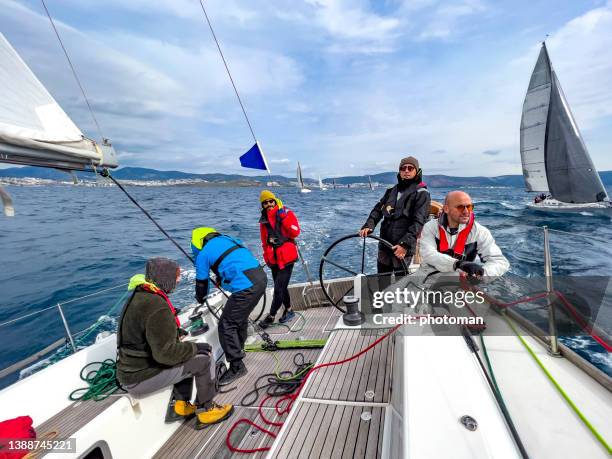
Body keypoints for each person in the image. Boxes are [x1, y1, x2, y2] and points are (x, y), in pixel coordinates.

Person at [116, 257, 233, 430]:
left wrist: (175, 333)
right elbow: (166, 355)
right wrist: (196, 348)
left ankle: (181, 406)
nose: (178, 280)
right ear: (166, 278)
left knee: (186, 352)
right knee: (204, 357)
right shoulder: (157, 306)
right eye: (176, 276)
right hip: (139, 378)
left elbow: (148, 330)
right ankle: (207, 410)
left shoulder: (141, 294)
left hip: (130, 371)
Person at [192, 227, 267, 385]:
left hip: (246, 286)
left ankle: (237, 366)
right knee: (239, 317)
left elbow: (201, 283)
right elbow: (234, 262)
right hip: (260, 277)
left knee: (226, 324)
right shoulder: (228, 240)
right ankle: (239, 349)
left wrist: (200, 297)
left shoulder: (204, 253)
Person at [359, 156, 431, 273]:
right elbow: (378, 210)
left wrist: (405, 245)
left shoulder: (422, 193)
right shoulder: (391, 191)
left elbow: (419, 221)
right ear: (400, 171)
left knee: (400, 283)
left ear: (416, 171)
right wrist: (369, 225)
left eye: (410, 168)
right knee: (382, 280)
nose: (406, 171)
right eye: (403, 168)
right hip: (385, 244)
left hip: (402, 247)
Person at [419, 191, 509, 279]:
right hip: (431, 276)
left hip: (462, 280)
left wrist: (482, 275)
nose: (466, 212)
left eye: (469, 207)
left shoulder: (479, 231)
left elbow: (500, 261)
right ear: (446, 209)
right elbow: (428, 254)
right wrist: (457, 264)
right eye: (460, 207)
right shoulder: (431, 227)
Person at [257, 190, 300, 329]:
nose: (269, 204)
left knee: (278, 288)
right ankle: (289, 310)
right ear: (262, 205)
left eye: (271, 201)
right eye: (265, 202)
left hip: (286, 256)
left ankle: (271, 315)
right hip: (273, 259)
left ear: (275, 201)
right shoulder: (263, 220)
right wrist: (267, 256)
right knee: (281, 286)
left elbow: (295, 232)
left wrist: (284, 219)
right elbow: (264, 241)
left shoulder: (286, 213)